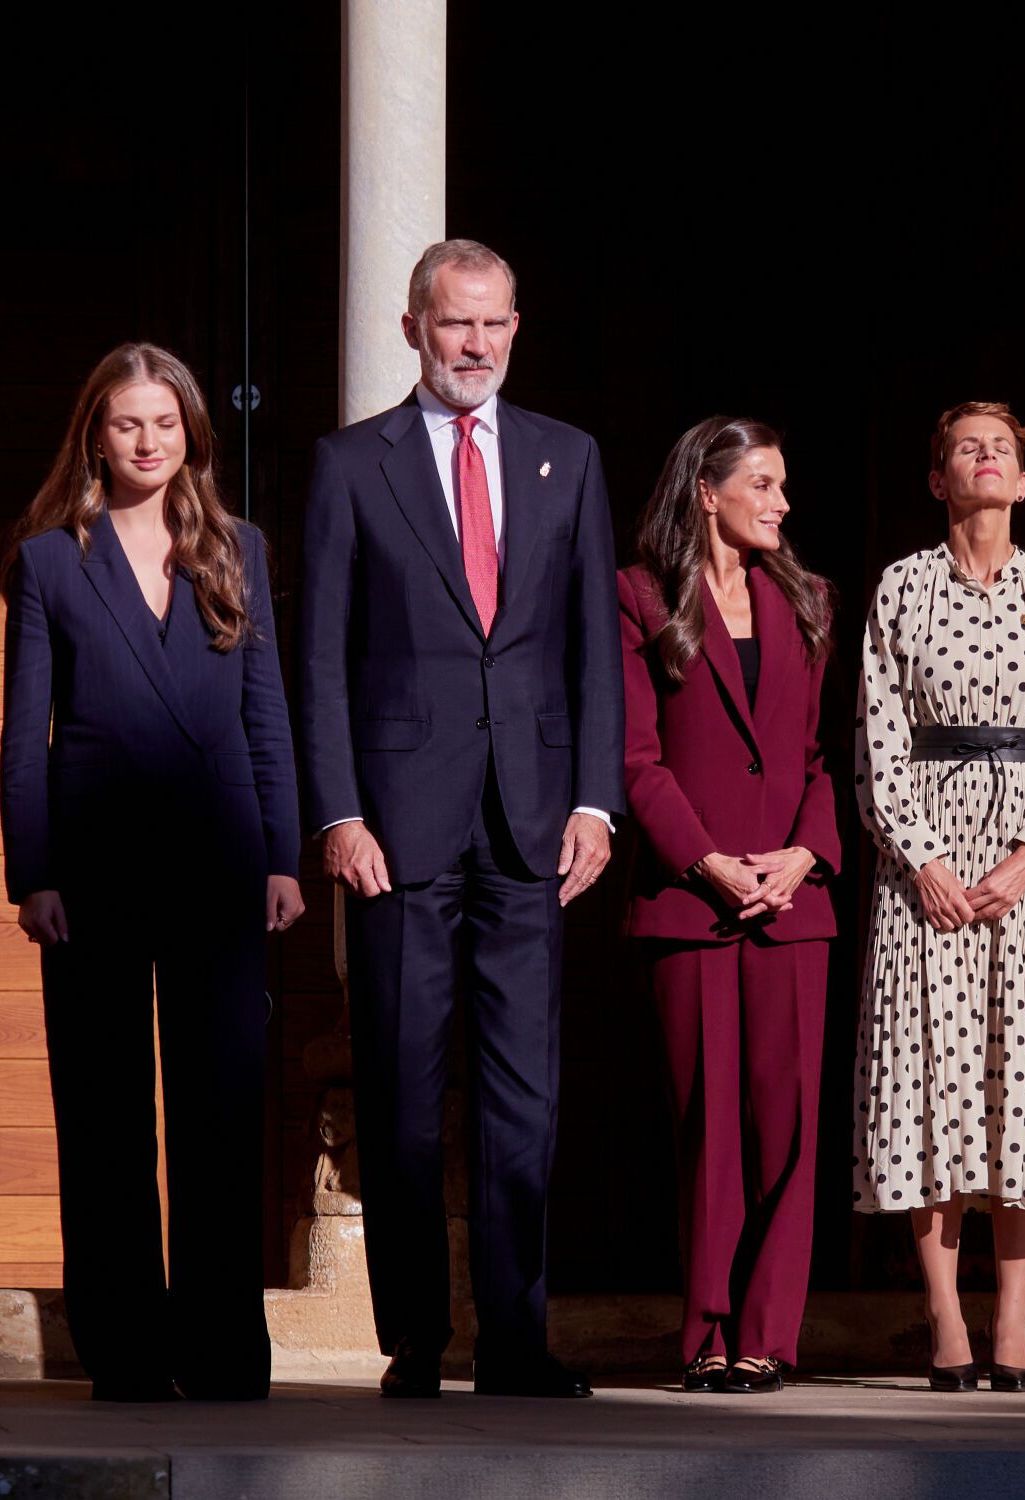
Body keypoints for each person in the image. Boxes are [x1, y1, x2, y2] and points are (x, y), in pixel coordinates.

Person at [298, 239, 623, 1399]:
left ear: (513, 329)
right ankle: (414, 1344)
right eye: (452, 326)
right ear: (411, 330)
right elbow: (322, 656)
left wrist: (594, 798)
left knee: (521, 1094)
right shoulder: (350, 467)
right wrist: (336, 811)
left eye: (491, 325)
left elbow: (592, 644)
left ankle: (515, 1341)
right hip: (394, 831)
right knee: (397, 1092)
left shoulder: (565, 459)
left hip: (532, 828)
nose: (473, 345)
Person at [0, 343, 303, 1403]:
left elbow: (267, 713)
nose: (147, 441)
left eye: (165, 423)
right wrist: (30, 872)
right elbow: (22, 729)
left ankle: (222, 1352)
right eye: (128, 423)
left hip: (220, 863)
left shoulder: (238, 548)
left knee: (221, 1110)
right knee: (105, 1110)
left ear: (191, 436)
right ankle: (124, 1351)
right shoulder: (49, 558)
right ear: (97, 432)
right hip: (93, 867)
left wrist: (281, 853)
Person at [855, 402, 1025, 1394]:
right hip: (922, 866)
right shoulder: (902, 586)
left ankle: (1011, 1322)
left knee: (1023, 1084)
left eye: (1000, 449)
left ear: (1019, 480)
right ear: (938, 480)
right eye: (965, 448)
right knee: (935, 1079)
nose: (984, 459)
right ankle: (943, 1323)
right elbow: (877, 729)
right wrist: (920, 856)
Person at [617, 417, 840, 1396]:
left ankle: (766, 1335)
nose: (781, 503)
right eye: (762, 483)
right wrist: (706, 862)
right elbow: (633, 759)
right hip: (688, 902)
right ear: (705, 492)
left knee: (786, 1127)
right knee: (706, 1123)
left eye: (782, 485)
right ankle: (705, 1330)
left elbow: (822, 757)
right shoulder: (637, 598)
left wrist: (805, 855)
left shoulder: (810, 601)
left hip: (792, 905)